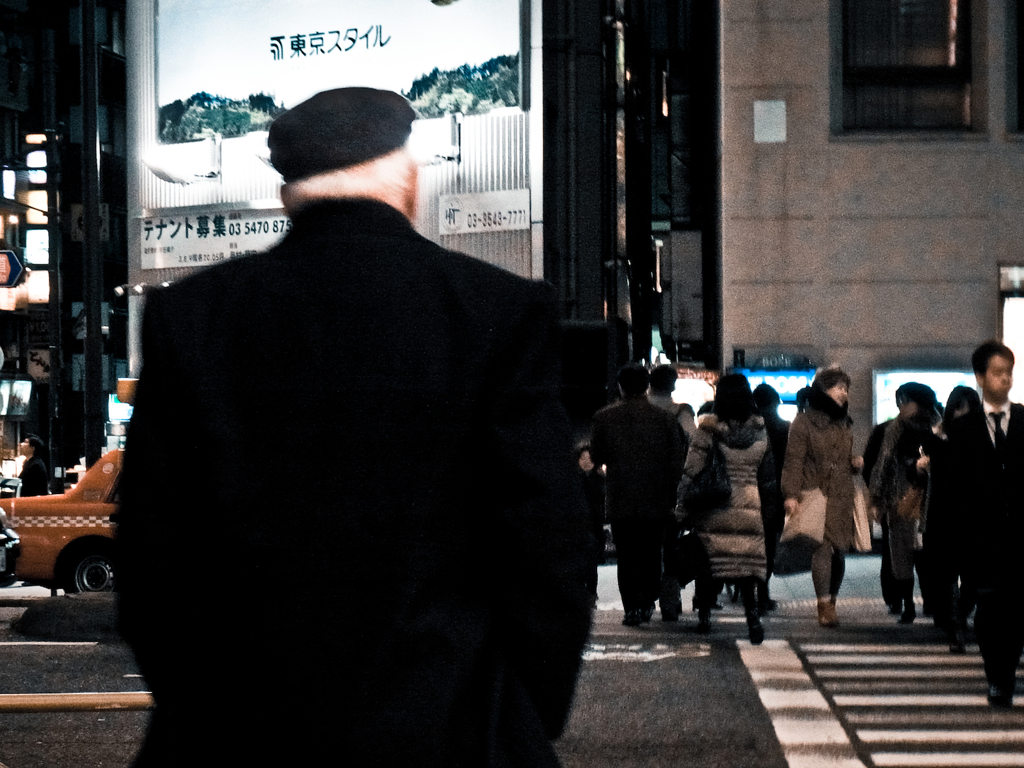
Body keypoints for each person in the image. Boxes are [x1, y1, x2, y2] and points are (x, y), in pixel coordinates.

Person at [116, 87, 595, 767]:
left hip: (236, 733)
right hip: (450, 724)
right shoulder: (495, 311)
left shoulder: (192, 319)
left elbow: (153, 558)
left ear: (290, 196)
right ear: (408, 179)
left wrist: (202, 705)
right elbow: (548, 547)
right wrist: (519, 710)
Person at [946, 340, 1024, 709]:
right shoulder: (964, 430)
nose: (1005, 379)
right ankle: (998, 678)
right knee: (991, 609)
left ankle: (1007, 669)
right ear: (980, 377)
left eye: (1009, 371)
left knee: (1018, 608)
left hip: (1021, 536)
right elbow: (955, 489)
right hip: (983, 537)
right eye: (997, 372)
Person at [675, 373, 777, 644]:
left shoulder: (707, 429)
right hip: (749, 505)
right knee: (746, 569)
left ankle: (705, 616)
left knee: (711, 564)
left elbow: (692, 470)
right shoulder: (760, 431)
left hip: (714, 504)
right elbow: (767, 477)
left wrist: (681, 506)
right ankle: (753, 621)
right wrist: (768, 511)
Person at [590, 364, 685, 626]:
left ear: (620, 386)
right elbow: (676, 461)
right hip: (656, 496)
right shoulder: (665, 419)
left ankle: (631, 606)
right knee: (652, 551)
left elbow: (597, 457)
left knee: (627, 554)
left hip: (620, 495)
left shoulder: (603, 418)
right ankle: (646, 602)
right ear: (646, 386)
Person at [781, 366, 864, 628]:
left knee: (839, 551)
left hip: (842, 494)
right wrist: (791, 495)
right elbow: (793, 460)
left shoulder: (844, 422)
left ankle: (833, 601)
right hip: (816, 493)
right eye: (838, 387)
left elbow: (842, 457)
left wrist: (854, 463)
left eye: (846, 388)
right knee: (823, 549)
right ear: (823, 389)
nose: (843, 392)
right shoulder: (803, 422)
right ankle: (824, 604)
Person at [868, 382, 940, 624]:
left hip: (931, 499)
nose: (901, 406)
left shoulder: (937, 427)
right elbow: (882, 464)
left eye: (904, 400)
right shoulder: (894, 428)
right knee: (901, 555)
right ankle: (907, 603)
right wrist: (877, 498)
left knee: (929, 555)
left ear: (917, 402)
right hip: (901, 499)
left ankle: (931, 601)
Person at [923, 385, 982, 652]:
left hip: (974, 514)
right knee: (947, 574)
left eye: (967, 409)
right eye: (958, 408)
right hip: (943, 513)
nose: (962, 414)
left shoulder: (982, 437)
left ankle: (959, 617)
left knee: (972, 575)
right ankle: (956, 626)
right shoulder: (936, 438)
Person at [648, 363, 691, 621]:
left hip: (640, 488)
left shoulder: (639, 410)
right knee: (671, 546)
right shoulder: (681, 412)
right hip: (672, 488)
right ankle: (669, 601)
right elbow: (694, 439)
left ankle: (643, 600)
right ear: (673, 385)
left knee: (644, 546)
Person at [751, 382, 788, 613]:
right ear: (777, 402)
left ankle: (754, 592)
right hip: (778, 494)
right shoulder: (785, 428)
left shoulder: (752, 429)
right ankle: (763, 593)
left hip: (752, 492)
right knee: (769, 545)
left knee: (753, 544)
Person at [575, 439, 607, 599]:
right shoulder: (574, 479)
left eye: (588, 458)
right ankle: (584, 591)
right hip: (579, 524)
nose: (586, 462)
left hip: (594, 524)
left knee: (591, 562)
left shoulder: (599, 479)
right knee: (581, 561)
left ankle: (591, 592)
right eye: (583, 458)